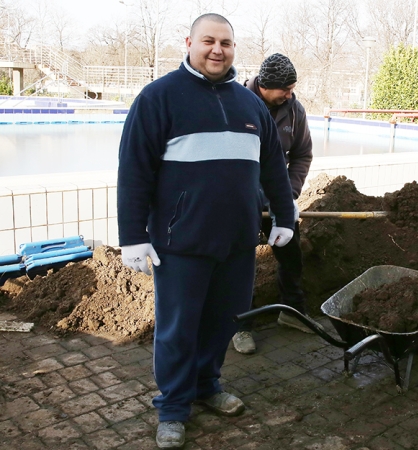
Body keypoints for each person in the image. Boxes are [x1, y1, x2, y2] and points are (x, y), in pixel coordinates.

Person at [117, 14, 296, 449]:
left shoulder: (250, 105)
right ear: (190, 43)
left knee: (223, 320)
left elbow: (274, 168)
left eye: (227, 43)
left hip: (237, 241)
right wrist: (132, 236)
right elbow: (134, 170)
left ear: (235, 49)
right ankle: (174, 408)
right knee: (178, 329)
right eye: (209, 41)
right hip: (180, 242)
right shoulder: (159, 97)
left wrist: (285, 218)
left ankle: (207, 385)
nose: (218, 50)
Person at [232, 53, 318, 355]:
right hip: (239, 200)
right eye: (286, 89)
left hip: (276, 201)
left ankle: (292, 313)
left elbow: (302, 155)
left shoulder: (294, 111)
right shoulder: (235, 102)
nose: (290, 94)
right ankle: (239, 326)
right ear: (266, 86)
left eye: (293, 88)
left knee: (291, 255)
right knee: (240, 264)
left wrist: (289, 194)